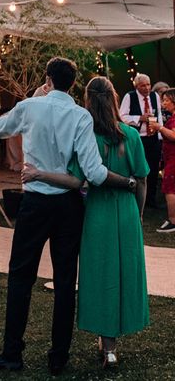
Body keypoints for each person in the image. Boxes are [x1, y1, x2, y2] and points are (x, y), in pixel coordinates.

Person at [0, 58, 133, 375]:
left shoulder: (31, 107)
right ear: (74, 85)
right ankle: (58, 356)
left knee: (20, 276)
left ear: (48, 79)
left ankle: (12, 353)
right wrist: (128, 182)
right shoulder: (80, 116)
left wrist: (34, 101)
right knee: (65, 282)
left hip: (35, 203)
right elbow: (92, 172)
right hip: (68, 206)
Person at [21, 76, 149, 368]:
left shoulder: (85, 135)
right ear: (115, 99)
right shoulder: (130, 135)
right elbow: (141, 180)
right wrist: (138, 214)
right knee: (122, 275)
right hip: (127, 211)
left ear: (88, 100)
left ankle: (108, 348)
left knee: (101, 276)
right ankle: (112, 347)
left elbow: (76, 180)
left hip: (96, 213)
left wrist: (38, 173)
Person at [120, 73, 162, 209]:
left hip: (153, 138)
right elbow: (122, 116)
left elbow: (159, 115)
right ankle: (137, 198)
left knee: (154, 169)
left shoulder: (155, 96)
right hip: (138, 139)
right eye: (143, 85)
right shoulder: (129, 96)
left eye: (148, 84)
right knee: (138, 170)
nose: (147, 88)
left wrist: (160, 136)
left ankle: (151, 200)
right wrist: (139, 118)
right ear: (136, 86)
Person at [150, 88, 175, 233]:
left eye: (166, 100)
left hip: (173, 158)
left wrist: (160, 128)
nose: (163, 103)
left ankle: (173, 221)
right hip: (169, 157)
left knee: (169, 188)